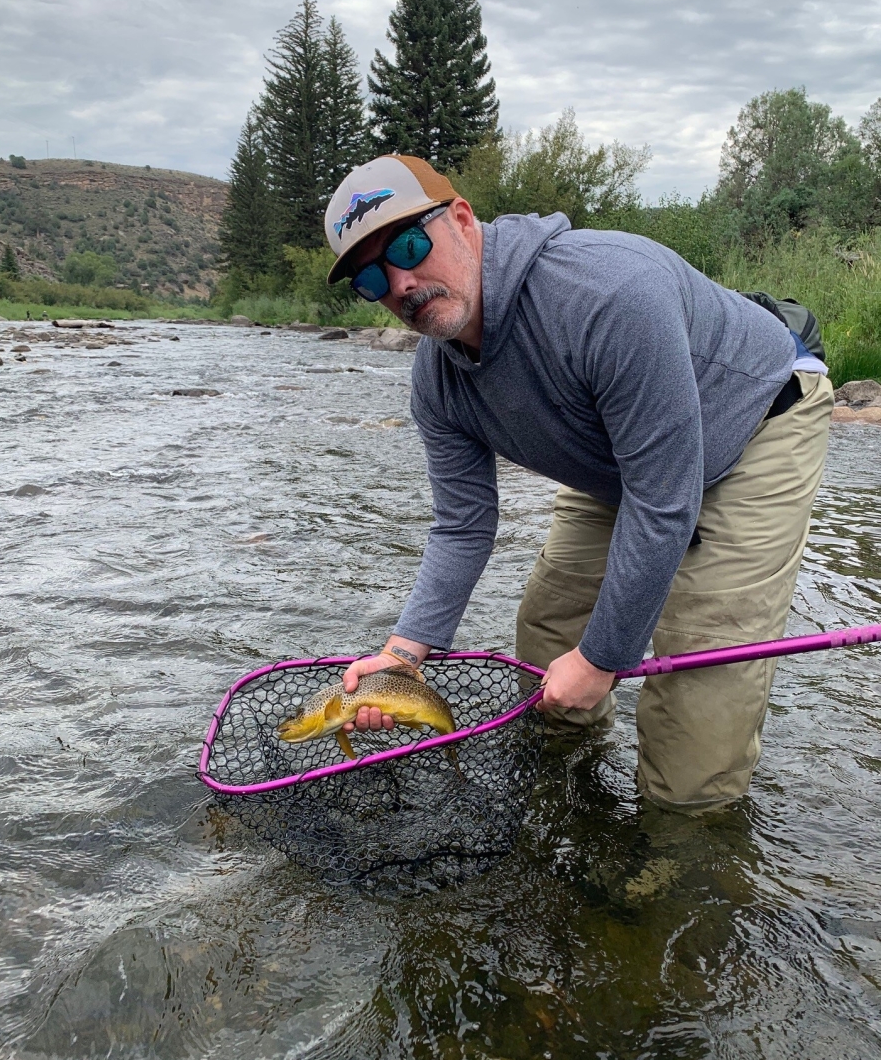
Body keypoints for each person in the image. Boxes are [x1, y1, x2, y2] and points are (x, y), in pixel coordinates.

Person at [324, 154, 833, 812]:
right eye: (370, 278)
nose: (401, 281)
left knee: (691, 751)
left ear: (461, 219)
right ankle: (572, 797)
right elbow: (463, 524)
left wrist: (603, 658)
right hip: (622, 459)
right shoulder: (437, 382)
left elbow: (664, 502)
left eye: (410, 244)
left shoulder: (607, 295)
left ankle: (680, 851)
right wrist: (402, 654)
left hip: (756, 423)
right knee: (546, 643)